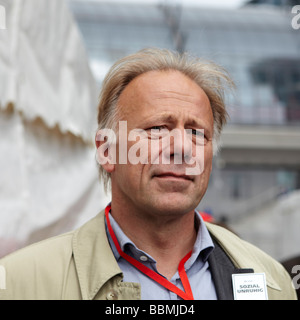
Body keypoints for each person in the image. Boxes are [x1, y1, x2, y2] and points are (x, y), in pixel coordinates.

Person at [0, 48, 296, 300]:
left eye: (196, 133)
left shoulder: (271, 282)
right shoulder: (20, 284)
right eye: (157, 129)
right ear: (107, 150)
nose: (181, 148)